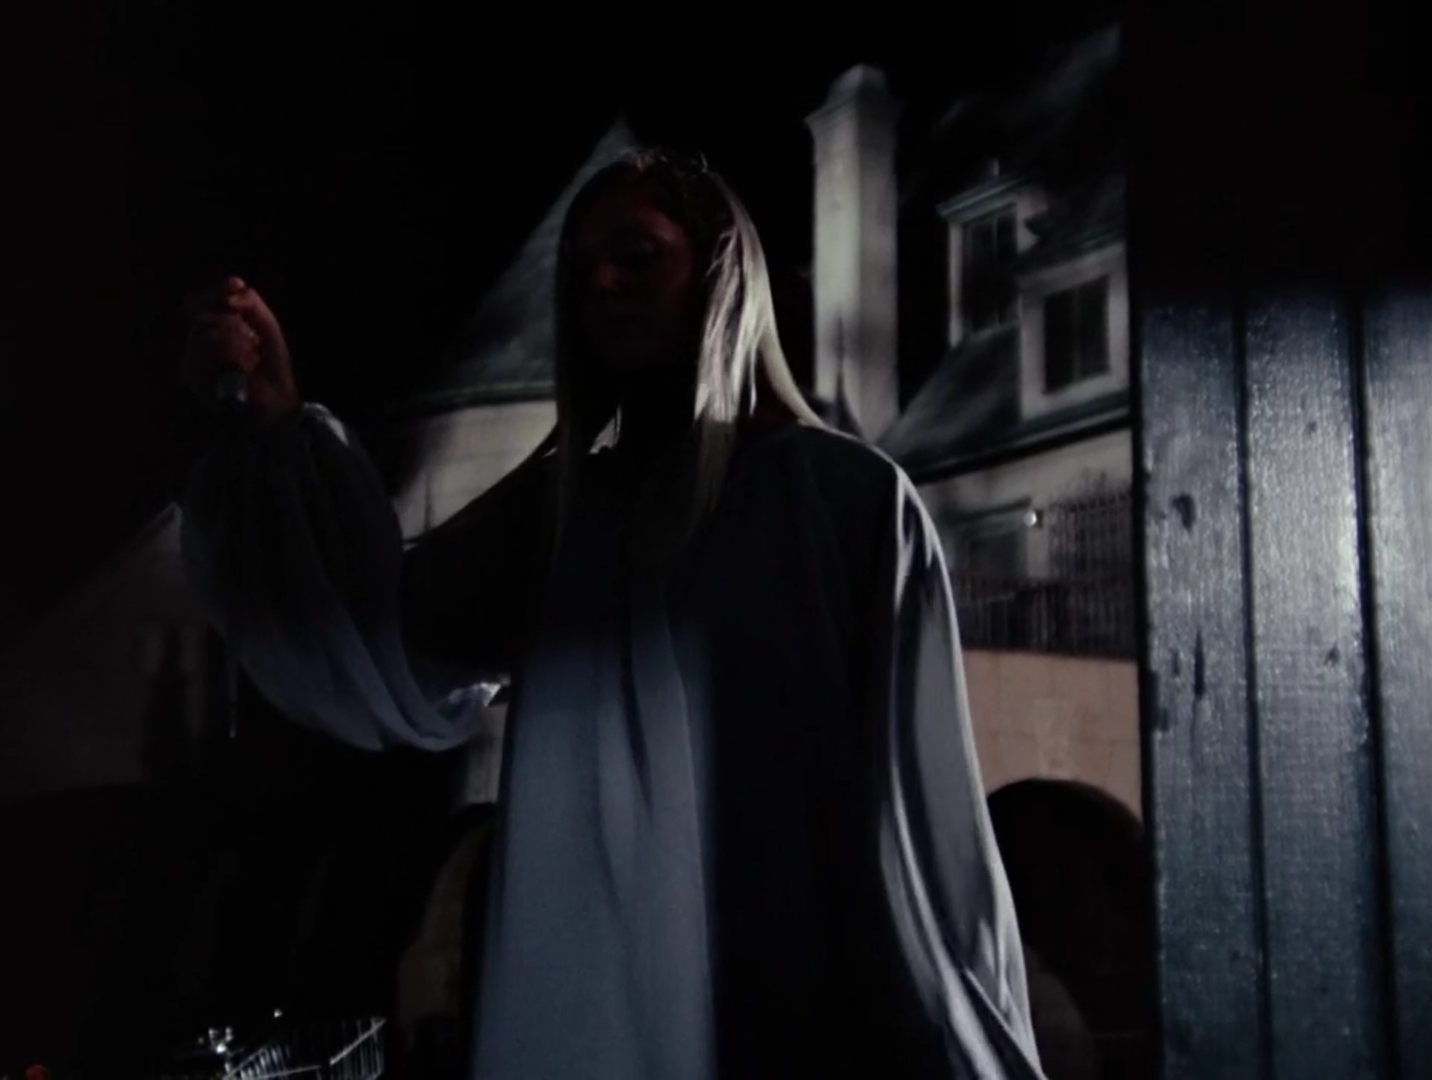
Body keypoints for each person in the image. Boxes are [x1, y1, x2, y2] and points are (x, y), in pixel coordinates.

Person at [179, 148, 1045, 1079]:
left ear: (718, 273)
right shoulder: (560, 520)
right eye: (582, 265)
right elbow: (370, 639)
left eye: (637, 255)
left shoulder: (843, 499)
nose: (598, 282)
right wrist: (276, 430)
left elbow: (924, 825)